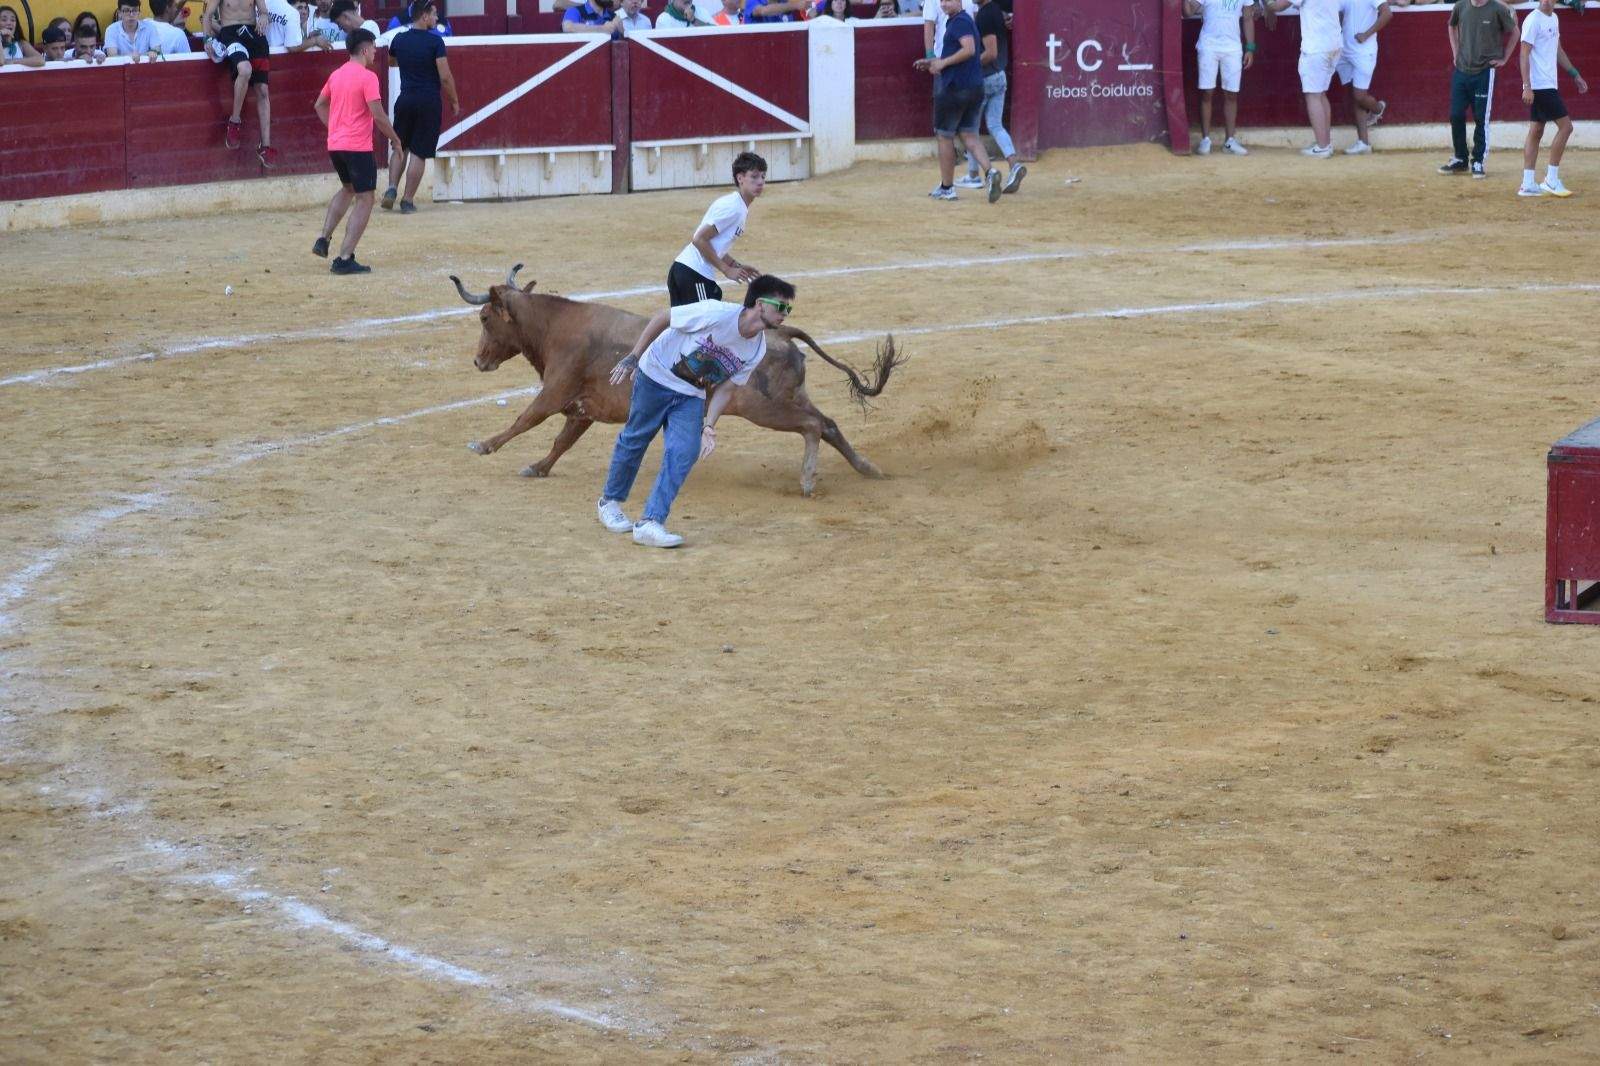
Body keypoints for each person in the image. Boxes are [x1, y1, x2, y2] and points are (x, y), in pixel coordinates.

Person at [598, 276, 797, 548]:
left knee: (685, 451)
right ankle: (609, 502)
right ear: (760, 304)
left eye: (788, 309)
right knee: (636, 438)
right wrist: (634, 356)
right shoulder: (716, 313)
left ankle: (650, 521)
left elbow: (727, 389)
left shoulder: (757, 349)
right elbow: (664, 317)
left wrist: (709, 425)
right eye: (781, 307)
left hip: (691, 394)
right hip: (655, 375)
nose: (785, 314)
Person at [312, 28, 403, 275]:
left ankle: (323, 237)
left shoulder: (336, 75)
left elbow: (319, 105)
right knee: (365, 198)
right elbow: (378, 115)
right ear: (364, 49)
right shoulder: (367, 77)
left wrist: (335, 128)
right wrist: (395, 140)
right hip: (357, 147)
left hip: (336, 145)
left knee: (348, 188)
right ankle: (344, 257)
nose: (375, 51)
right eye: (373, 47)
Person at [915, 0, 1000, 201]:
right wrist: (932, 62)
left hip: (955, 88)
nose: (944, 4)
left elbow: (969, 49)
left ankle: (947, 187)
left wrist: (942, 62)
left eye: (949, 0)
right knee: (969, 134)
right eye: (942, 1)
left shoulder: (959, 21)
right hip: (973, 86)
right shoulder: (964, 20)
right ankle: (990, 172)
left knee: (944, 136)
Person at [382, 0, 459, 214]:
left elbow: (391, 62)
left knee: (400, 146)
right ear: (424, 16)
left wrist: (411, 64)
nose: (436, 18)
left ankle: (391, 188)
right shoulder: (435, 42)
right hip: (428, 101)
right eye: (433, 14)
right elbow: (445, 77)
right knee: (419, 152)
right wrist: (454, 101)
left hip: (405, 99)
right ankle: (407, 200)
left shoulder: (399, 39)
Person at [669, 151, 766, 307]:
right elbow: (699, 239)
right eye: (754, 176)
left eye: (763, 176)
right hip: (694, 273)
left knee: (683, 322)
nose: (760, 182)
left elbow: (714, 244)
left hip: (686, 271)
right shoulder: (734, 207)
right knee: (704, 321)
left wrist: (736, 266)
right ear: (740, 178)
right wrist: (726, 270)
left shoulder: (737, 205)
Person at [1439, 0, 1517, 178]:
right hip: (1461, 70)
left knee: (1481, 118)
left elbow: (1515, 32)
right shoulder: (1461, 6)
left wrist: (1504, 58)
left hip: (1485, 71)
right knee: (1456, 115)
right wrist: (1455, 52)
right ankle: (1460, 158)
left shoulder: (1497, 8)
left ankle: (1478, 161)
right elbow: (1451, 26)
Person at [1518, 0, 1588, 197]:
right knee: (1566, 127)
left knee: (1536, 130)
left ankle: (1528, 183)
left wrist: (1574, 74)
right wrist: (1526, 86)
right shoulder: (1533, 20)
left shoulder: (1554, 18)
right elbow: (1523, 54)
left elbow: (1557, 50)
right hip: (1540, 85)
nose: (1547, 1)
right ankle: (1551, 179)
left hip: (1547, 83)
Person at [956, 0, 1026, 188]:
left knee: (970, 129)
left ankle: (973, 175)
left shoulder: (985, 14)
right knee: (995, 125)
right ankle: (1014, 164)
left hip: (984, 79)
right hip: (999, 75)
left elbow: (991, 53)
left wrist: (969, 67)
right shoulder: (995, 9)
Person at [1261, 0, 1341, 157]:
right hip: (1334, 44)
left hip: (1316, 48)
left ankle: (1322, 146)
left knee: (1313, 96)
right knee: (1321, 94)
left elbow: (1277, 6)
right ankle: (1325, 143)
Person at [204, 0, 275, 164]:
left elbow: (264, 11)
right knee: (245, 70)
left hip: (254, 35)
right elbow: (207, 15)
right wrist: (207, 39)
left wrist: (264, 17)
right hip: (231, 34)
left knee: (263, 90)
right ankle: (234, 121)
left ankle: (265, 146)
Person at [1185, 0, 1254, 156]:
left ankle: (1229, 141)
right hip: (1208, 46)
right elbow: (1188, 12)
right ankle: (1205, 139)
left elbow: (1248, 17)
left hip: (1233, 47)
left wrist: (1250, 47)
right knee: (1207, 92)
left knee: (1231, 94)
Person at [1337, 0, 1390, 155]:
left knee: (1359, 96)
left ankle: (1378, 108)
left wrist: (1366, 34)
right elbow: (1339, 13)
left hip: (1364, 51)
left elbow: (1387, 13)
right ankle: (1363, 143)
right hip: (1344, 51)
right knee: (1356, 95)